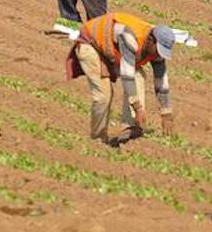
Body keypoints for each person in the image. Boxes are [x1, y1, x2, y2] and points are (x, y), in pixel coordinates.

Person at [67, 11, 176, 145]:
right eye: (158, 50)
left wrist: (166, 112)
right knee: (104, 95)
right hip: (90, 44)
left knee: (139, 76)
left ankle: (130, 127)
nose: (159, 55)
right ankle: (97, 139)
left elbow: (161, 79)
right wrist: (138, 107)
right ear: (151, 41)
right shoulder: (130, 38)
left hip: (111, 49)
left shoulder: (154, 47)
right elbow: (127, 75)